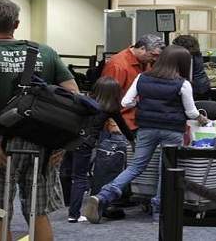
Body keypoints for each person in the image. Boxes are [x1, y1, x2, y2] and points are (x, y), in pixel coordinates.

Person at [0, 0, 78, 240]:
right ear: (17, 23)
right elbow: (73, 96)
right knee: (38, 213)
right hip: (42, 145)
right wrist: (62, 143)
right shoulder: (44, 52)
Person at [84, 45, 208, 224]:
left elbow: (126, 102)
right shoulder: (183, 83)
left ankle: (104, 196)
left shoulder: (142, 77)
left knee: (135, 166)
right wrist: (202, 118)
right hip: (172, 131)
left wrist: (144, 104)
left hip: (146, 129)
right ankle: (158, 211)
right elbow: (191, 113)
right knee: (165, 171)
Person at [67, 76, 133, 223]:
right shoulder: (110, 108)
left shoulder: (84, 101)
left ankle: (68, 207)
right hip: (86, 143)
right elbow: (124, 128)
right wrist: (133, 141)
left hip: (70, 139)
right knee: (80, 178)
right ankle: (73, 214)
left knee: (71, 175)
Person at [101, 34, 165, 131]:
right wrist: (112, 124)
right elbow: (107, 98)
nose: (155, 59)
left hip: (139, 121)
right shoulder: (117, 65)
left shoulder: (145, 62)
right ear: (142, 48)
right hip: (122, 124)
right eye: (153, 55)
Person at [172, 35, 211, 100]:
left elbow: (187, 75)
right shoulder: (197, 54)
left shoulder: (189, 57)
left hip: (194, 89)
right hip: (202, 86)